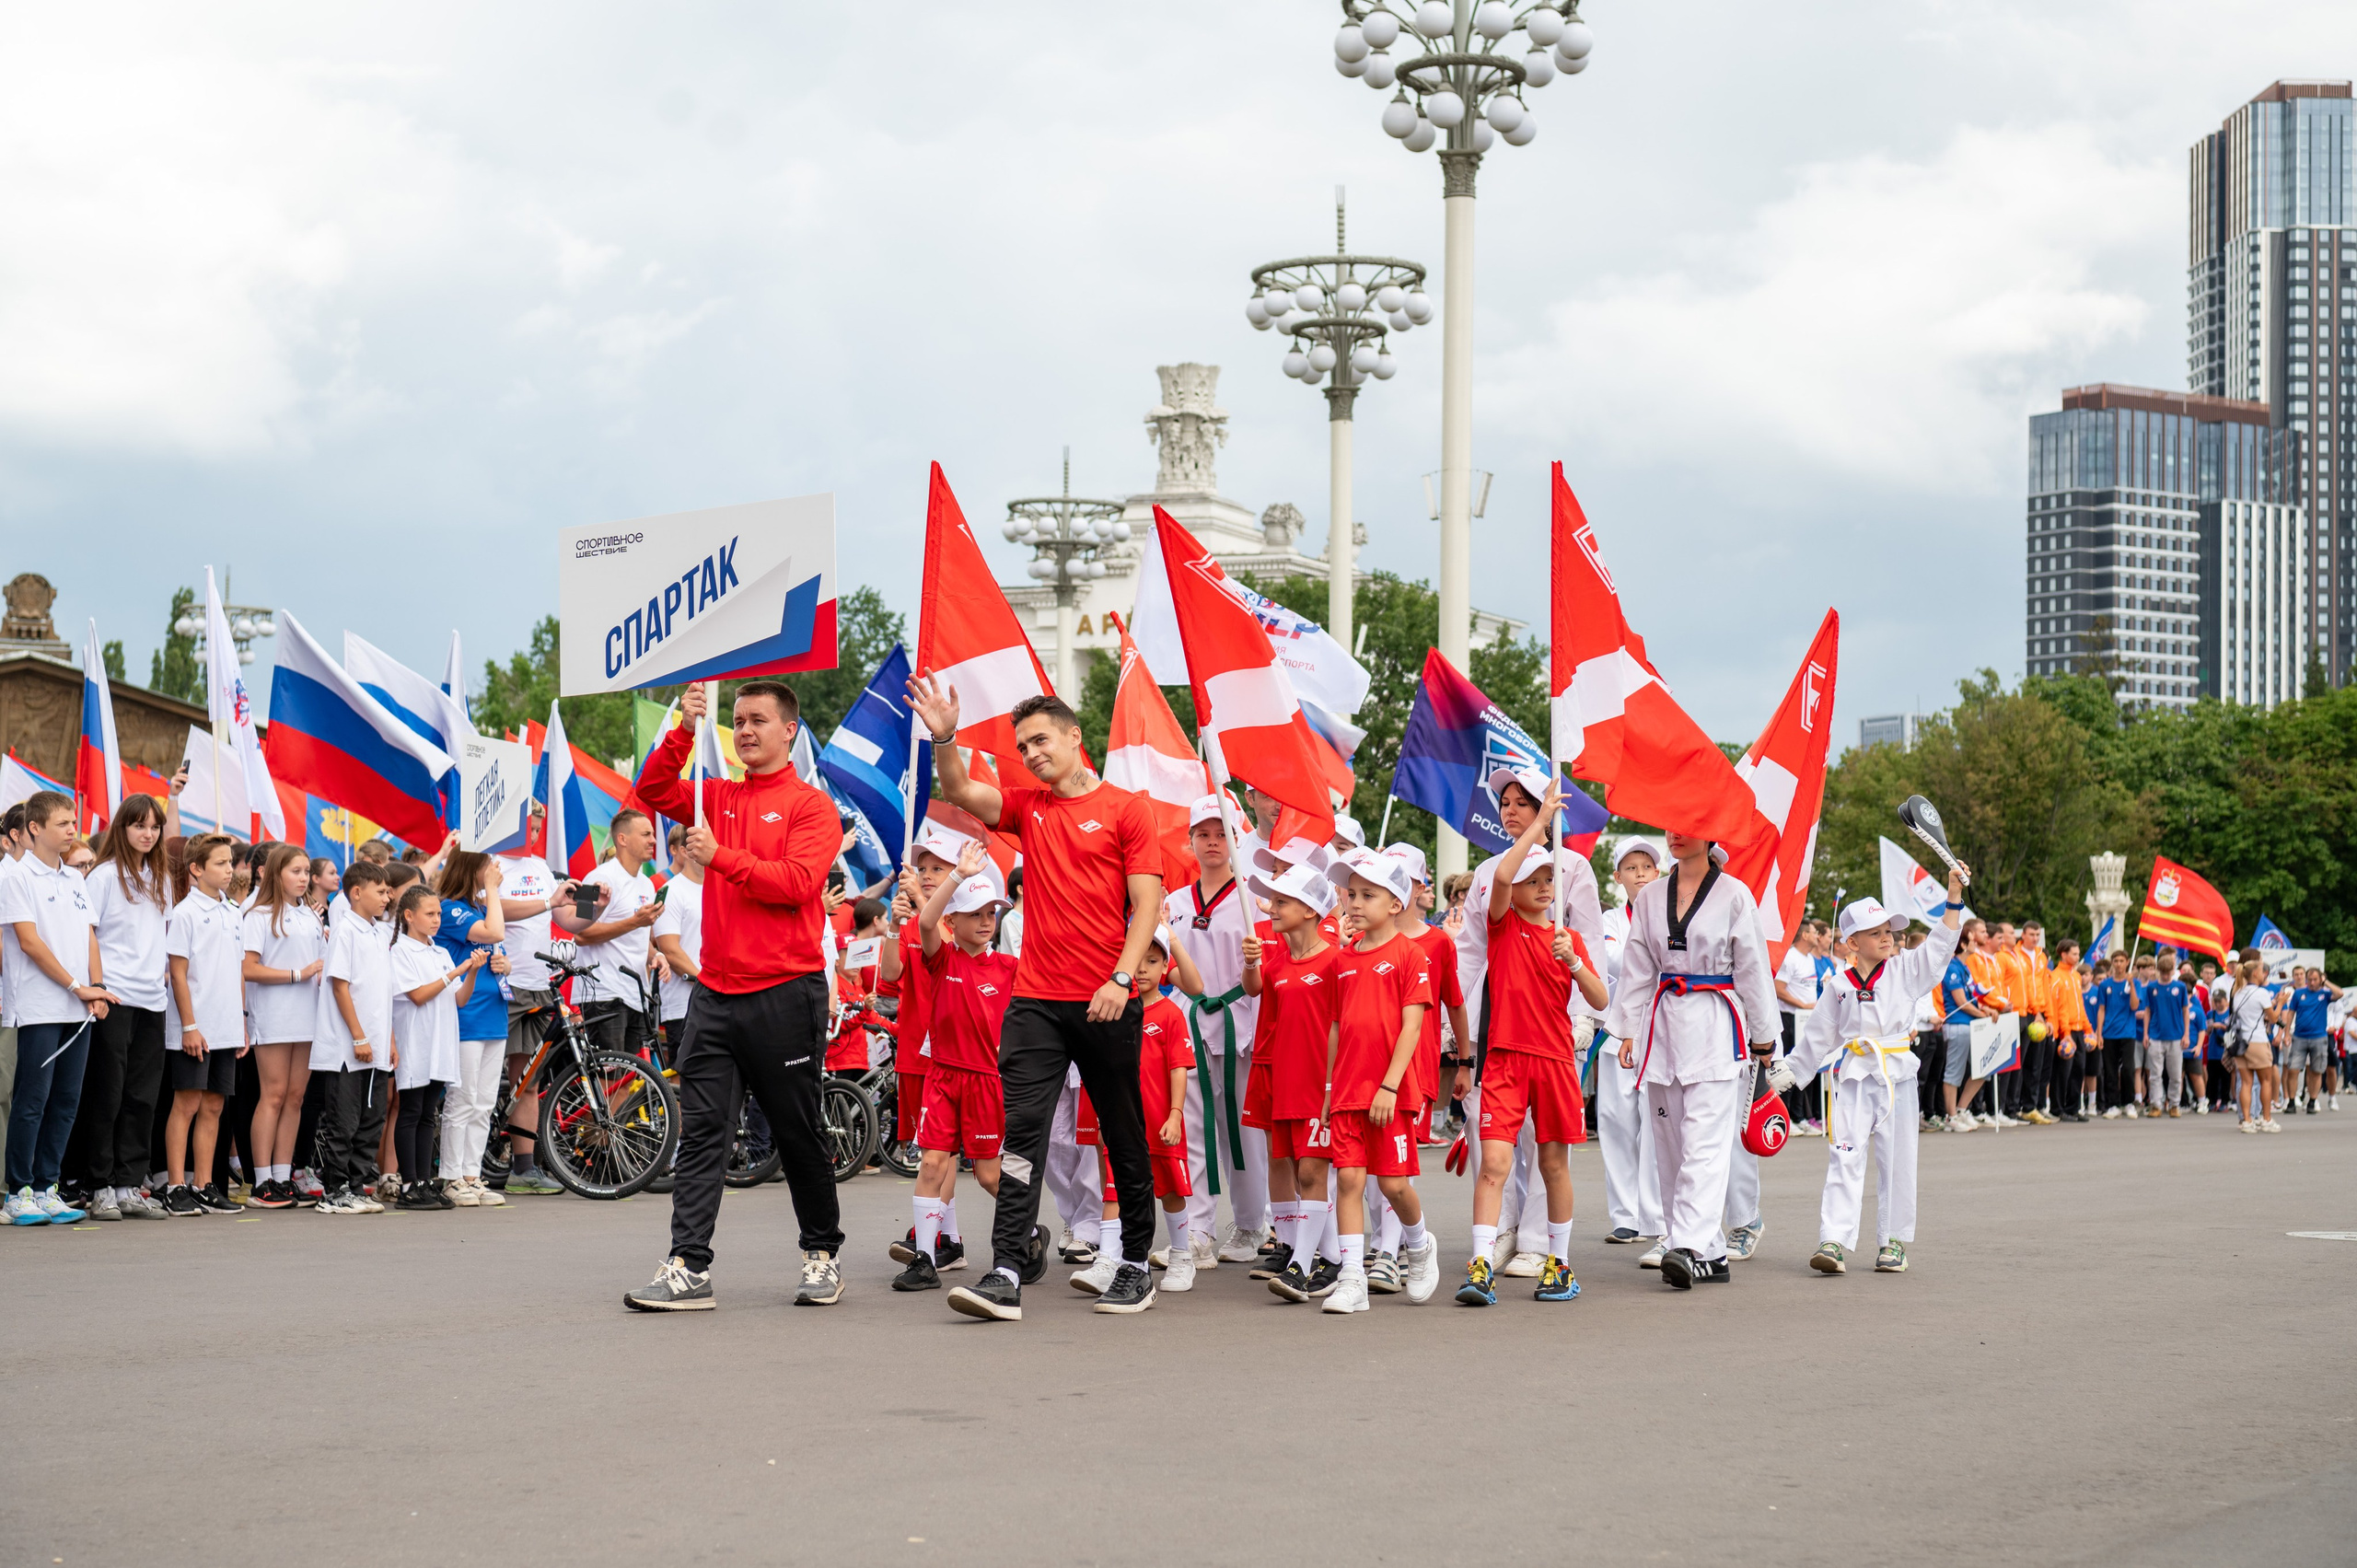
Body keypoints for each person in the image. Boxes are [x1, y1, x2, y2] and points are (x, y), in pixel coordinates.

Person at [906, 677, 1163, 1325]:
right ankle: (1006, 1270)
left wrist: (1122, 978)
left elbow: (1149, 905)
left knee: (1122, 1132)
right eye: (1024, 746)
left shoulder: (1129, 809)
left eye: (1042, 740)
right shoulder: (1030, 808)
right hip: (1036, 1004)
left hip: (1106, 999)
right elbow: (962, 789)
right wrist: (944, 736)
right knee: (1021, 1137)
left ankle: (1134, 1261)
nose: (1033, 753)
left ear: (1075, 738)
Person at [622, 680, 847, 1312]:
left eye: (758, 720)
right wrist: (686, 730)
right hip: (716, 995)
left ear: (789, 732)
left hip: (785, 991)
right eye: (738, 720)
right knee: (703, 1135)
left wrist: (722, 857)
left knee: (796, 1131)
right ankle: (689, 1265)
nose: (745, 730)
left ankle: (822, 1253)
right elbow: (653, 791)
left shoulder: (811, 807)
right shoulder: (713, 795)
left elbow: (799, 883)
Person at [1603, 827, 1780, 1290]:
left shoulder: (1735, 894)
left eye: (1689, 828)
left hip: (1715, 1023)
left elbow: (1754, 968)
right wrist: (1626, 1030)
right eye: (1672, 827)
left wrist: (1763, 1038)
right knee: (1669, 1142)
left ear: (1710, 835)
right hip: (1662, 1022)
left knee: (1704, 1141)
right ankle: (1713, 1254)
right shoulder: (1650, 897)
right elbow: (1639, 968)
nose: (1677, 835)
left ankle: (1686, 1246)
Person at [1771, 866, 1968, 1276]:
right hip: (1854, 1077)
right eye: (1875, 931)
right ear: (1850, 943)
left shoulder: (1906, 970)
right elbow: (1817, 1041)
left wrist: (1953, 897)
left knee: (1897, 1160)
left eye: (1889, 930)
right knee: (1844, 1155)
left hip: (1896, 1075)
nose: (1887, 937)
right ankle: (1834, 1241)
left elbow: (1940, 947)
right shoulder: (1838, 986)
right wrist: (1782, 1077)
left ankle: (1892, 1241)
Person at [1457, 795, 1608, 1307]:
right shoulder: (1503, 926)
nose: (1543, 888)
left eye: (1549, 881)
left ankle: (1559, 1265)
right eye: (1533, 880)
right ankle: (1480, 1265)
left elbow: (1599, 997)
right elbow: (1500, 878)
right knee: (1494, 1162)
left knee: (1553, 1165)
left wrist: (1575, 964)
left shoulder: (1569, 939)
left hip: (1556, 1062)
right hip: (1504, 1059)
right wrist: (1541, 824)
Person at [1305, 846, 1433, 1316]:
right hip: (1347, 1092)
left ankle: (1418, 1247)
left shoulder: (1410, 955)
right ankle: (1353, 1279)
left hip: (1391, 1093)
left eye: (1368, 895)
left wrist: (1390, 1086)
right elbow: (1337, 1027)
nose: (1355, 903)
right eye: (1351, 894)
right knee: (1350, 1182)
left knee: (1395, 1186)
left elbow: (1412, 1027)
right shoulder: (1341, 961)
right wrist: (1328, 1089)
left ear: (1396, 904)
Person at [894, 844, 1017, 1295]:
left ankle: (1025, 1233)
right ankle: (925, 1260)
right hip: (943, 1077)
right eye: (975, 913)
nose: (986, 921)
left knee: (988, 1175)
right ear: (954, 922)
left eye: (992, 913)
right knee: (931, 1163)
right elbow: (926, 922)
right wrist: (958, 875)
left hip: (988, 1083)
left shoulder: (1010, 968)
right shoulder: (941, 957)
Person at [1161, 795, 1269, 1270]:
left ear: (1236, 838)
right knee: (1192, 1130)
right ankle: (1199, 1229)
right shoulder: (1174, 903)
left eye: (1221, 833)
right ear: (1190, 841)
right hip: (1188, 1026)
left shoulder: (1254, 899)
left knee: (1245, 1132)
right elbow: (1163, 966)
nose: (1212, 842)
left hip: (1241, 1023)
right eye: (1203, 834)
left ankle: (1251, 1221)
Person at [1071, 924, 1203, 1305]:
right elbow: (1101, 1072)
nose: (1143, 969)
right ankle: (1111, 1260)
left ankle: (1181, 1254)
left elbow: (1179, 1067)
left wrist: (1176, 1114)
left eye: (1153, 960)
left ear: (1165, 967)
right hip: (1121, 1122)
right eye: (1138, 960)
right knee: (1114, 1187)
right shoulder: (1112, 1011)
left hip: (1160, 1123)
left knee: (1171, 1191)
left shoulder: (1172, 1013)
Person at [2, 792, 110, 1224]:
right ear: (34, 829)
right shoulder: (17, 878)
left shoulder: (75, 879)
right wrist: (74, 986)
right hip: (40, 1007)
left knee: (66, 1100)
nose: (72, 831)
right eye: (63, 824)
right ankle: (18, 1191)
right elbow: (28, 942)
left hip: (78, 1007)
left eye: (74, 822)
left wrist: (97, 987)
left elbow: (88, 937)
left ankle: (47, 1187)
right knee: (33, 1099)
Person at [878, 814, 979, 1268]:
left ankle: (932, 1235)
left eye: (937, 869)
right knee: (927, 1149)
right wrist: (890, 927)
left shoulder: (961, 925)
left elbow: (945, 949)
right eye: (924, 869)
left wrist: (922, 903)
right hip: (913, 1048)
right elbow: (890, 976)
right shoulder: (911, 921)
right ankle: (946, 1238)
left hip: (948, 1053)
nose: (927, 875)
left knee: (942, 1150)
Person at [1243, 858, 1341, 1292]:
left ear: (1311, 910)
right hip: (1284, 1081)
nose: (1271, 906)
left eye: (1282, 900)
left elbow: (1348, 1028)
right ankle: (1333, 1260)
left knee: (1312, 1174)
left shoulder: (1339, 962)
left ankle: (1301, 1266)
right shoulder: (1278, 964)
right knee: (1300, 1170)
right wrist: (1250, 964)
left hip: (1320, 1085)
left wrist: (1333, 1085)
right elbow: (1255, 990)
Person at [76, 795, 175, 1219]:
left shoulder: (162, 877)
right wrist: (97, 987)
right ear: (123, 827)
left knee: (143, 1097)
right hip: (114, 996)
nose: (147, 834)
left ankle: (128, 1184)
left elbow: (162, 935)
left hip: (153, 999)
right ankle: (99, 1185)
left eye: (154, 827)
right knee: (108, 1093)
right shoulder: (101, 876)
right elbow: (87, 933)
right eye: (139, 826)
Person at [157, 833, 247, 1216]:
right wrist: (189, 1026)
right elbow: (178, 974)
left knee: (214, 1107)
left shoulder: (233, 912)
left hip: (227, 1026)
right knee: (187, 1104)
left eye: (230, 863)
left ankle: (204, 1184)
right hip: (196, 1027)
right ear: (196, 869)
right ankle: (175, 1185)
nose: (229, 870)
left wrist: (242, 1021)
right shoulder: (185, 913)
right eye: (220, 864)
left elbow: (238, 971)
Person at [238, 844, 324, 1210]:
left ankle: (283, 1176)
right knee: (272, 1095)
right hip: (274, 1015)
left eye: (306, 871)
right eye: (295, 871)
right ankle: (260, 1182)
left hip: (308, 1016)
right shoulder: (259, 914)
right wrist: (297, 974)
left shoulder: (311, 916)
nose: (303, 878)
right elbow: (248, 968)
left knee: (295, 1098)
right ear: (275, 873)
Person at [390, 884, 485, 1210]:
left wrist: (470, 973)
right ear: (409, 916)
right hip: (415, 1042)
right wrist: (456, 972)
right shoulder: (400, 951)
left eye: (438, 914)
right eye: (429, 914)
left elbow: (459, 998)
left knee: (429, 1114)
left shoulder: (438, 952)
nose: (436, 920)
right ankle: (407, 1185)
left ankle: (423, 1181)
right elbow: (417, 996)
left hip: (440, 1042)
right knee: (411, 1111)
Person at [311, 861, 398, 1213]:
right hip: (348, 1047)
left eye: (388, 891)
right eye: (380, 891)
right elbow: (340, 987)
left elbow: (383, 994)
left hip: (376, 1046)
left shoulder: (378, 933)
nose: (386, 897)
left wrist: (388, 1040)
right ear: (357, 893)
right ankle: (335, 1190)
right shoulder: (346, 930)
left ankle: (357, 1185)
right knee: (343, 1121)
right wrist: (359, 1037)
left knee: (371, 1119)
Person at [1595, 838, 1666, 1249]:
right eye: (1631, 867)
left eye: (1647, 866)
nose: (1640, 873)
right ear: (1618, 876)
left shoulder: (1669, 914)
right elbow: (1615, 962)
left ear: (1657, 872)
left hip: (1661, 1033)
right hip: (1618, 1035)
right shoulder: (1609, 919)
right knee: (1617, 1123)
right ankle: (1625, 1215)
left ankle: (1654, 1214)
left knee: (1656, 1125)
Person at [488, 841, 569, 1198]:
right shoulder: (490, 862)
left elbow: (566, 918)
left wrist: (593, 906)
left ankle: (524, 1168)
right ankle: (463, 1167)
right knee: (483, 1075)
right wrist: (549, 901)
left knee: (527, 1082)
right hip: (503, 983)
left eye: (538, 829)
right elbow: (493, 908)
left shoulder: (539, 865)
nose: (533, 835)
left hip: (537, 984)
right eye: (529, 827)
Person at [555, 810, 660, 1053]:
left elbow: (638, 937)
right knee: (609, 1080)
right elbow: (581, 935)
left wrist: (656, 956)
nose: (653, 840)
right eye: (646, 834)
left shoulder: (646, 883)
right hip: (603, 993)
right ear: (622, 839)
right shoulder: (597, 878)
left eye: (653, 834)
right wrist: (634, 922)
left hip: (637, 993)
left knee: (629, 1081)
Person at [651, 826, 705, 1058]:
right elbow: (670, 950)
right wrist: (708, 982)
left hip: (719, 1003)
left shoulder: (719, 890)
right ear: (685, 851)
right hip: (684, 1006)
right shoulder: (670, 891)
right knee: (681, 1082)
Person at [2087, 953, 2143, 1120]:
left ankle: (2128, 1102)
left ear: (2127, 962)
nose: (2118, 964)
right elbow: (2101, 1009)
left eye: (2121, 961)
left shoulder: (2135, 983)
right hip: (2109, 1031)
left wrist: (2131, 983)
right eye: (2116, 961)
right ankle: (2112, 1104)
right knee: (2110, 1070)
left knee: (2128, 1068)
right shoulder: (2105, 985)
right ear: (2112, 963)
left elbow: (2134, 1006)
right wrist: (2099, 1033)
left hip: (2127, 1031)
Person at [2282, 966, 2342, 1115]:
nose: (2313, 982)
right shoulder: (2299, 993)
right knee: (2293, 1069)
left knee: (2316, 1070)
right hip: (2300, 1036)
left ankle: (2312, 1100)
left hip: (2319, 1037)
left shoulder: (2324, 994)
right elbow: (2290, 1013)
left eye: (2315, 979)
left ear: (2320, 979)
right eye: (2310, 980)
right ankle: (2291, 1100)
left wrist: (2325, 982)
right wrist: (2287, 1032)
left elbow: (2339, 993)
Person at [2141, 948, 2193, 1118]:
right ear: (2158, 971)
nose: (2164, 976)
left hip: (2175, 1036)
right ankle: (2156, 1104)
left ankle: (2174, 1105)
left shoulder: (2180, 987)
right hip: (2156, 1035)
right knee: (2155, 1074)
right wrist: (2146, 1034)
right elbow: (2147, 1011)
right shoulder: (2152, 988)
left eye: (2167, 972)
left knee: (2175, 1074)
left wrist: (2186, 1034)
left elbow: (2185, 1012)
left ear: (2173, 971)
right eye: (2162, 972)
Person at [2044, 940, 2092, 1122]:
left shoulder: (2076, 976)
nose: (2077, 957)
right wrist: (2066, 1034)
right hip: (2066, 1031)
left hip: (2079, 1029)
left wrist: (2088, 1028)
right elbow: (2060, 1008)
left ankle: (2073, 1108)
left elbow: (2080, 1004)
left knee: (2079, 1069)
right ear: (2063, 955)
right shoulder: (2056, 977)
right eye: (2074, 954)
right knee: (2062, 1071)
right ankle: (2058, 1108)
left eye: (2078, 954)